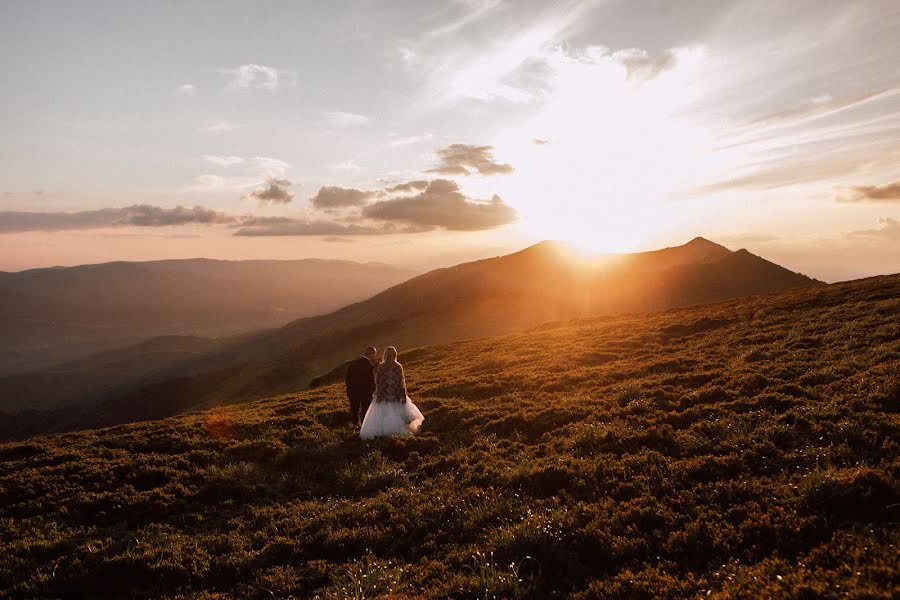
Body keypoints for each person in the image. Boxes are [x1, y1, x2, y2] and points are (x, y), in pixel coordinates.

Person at [359, 346, 424, 440]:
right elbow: (401, 382)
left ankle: (383, 434)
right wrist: (403, 395)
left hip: (384, 395)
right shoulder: (398, 367)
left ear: (385, 355)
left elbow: (378, 382)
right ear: (395, 355)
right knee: (399, 415)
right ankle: (396, 433)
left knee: (382, 415)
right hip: (396, 395)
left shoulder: (381, 366)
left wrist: (379, 394)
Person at [346, 346, 377, 426]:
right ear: (372, 354)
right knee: (365, 410)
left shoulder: (353, 363)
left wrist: (348, 390)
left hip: (353, 392)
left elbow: (348, 378)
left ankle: (355, 425)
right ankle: (364, 427)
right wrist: (374, 390)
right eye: (374, 354)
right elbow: (371, 381)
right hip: (365, 393)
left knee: (354, 410)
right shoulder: (369, 365)